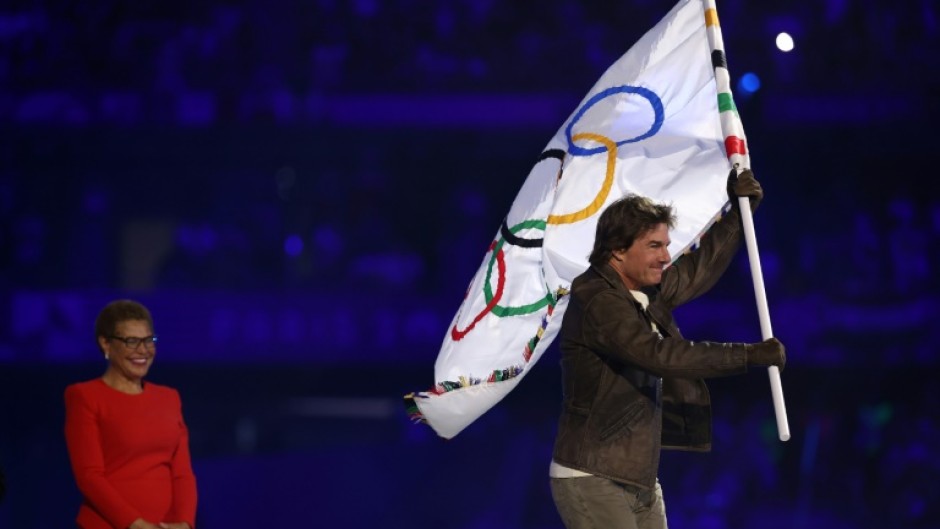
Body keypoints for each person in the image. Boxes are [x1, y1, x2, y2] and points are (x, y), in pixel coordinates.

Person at [549, 169, 786, 529]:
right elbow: (658, 355)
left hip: (637, 478)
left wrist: (739, 215)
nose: (665, 256)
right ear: (617, 250)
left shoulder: (642, 289)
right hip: (591, 476)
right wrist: (747, 355)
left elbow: (697, 270)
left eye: (666, 244)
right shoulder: (597, 300)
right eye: (654, 246)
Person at [64, 300, 197, 529]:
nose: (143, 350)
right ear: (106, 343)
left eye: (148, 340)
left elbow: (182, 473)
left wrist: (185, 523)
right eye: (131, 341)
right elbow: (89, 477)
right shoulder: (84, 396)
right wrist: (136, 524)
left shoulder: (169, 397)